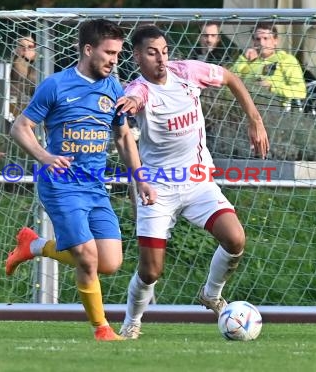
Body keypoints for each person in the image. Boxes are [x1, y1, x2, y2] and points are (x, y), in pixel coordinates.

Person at [115, 25, 269, 339]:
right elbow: (134, 96)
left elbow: (230, 77)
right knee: (150, 271)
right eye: (151, 52)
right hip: (158, 188)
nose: (160, 59)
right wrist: (129, 103)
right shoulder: (140, 89)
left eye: (164, 51)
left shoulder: (188, 72)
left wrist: (255, 119)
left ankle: (211, 294)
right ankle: (132, 321)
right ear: (136, 56)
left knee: (235, 239)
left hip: (198, 181)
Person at [6, 18, 156, 341]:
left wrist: (141, 179)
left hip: (94, 187)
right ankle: (101, 329)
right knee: (86, 256)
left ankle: (33, 246)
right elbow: (20, 127)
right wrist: (45, 156)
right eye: (109, 52)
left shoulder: (114, 88)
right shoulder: (56, 85)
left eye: (117, 53)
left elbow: (123, 137)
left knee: (110, 262)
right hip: (60, 185)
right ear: (88, 50)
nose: (114, 59)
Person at [230, 23, 306, 109]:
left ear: (275, 40)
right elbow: (228, 83)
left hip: (275, 108)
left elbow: (301, 91)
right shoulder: (247, 61)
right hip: (244, 106)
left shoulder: (286, 60)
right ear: (253, 42)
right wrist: (243, 59)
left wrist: (271, 87)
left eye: (266, 38)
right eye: (258, 39)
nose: (262, 43)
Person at [10, 36, 38, 116]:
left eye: (30, 47)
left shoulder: (42, 65)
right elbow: (20, 76)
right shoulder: (13, 64)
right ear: (16, 49)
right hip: (14, 110)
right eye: (22, 46)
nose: (26, 49)